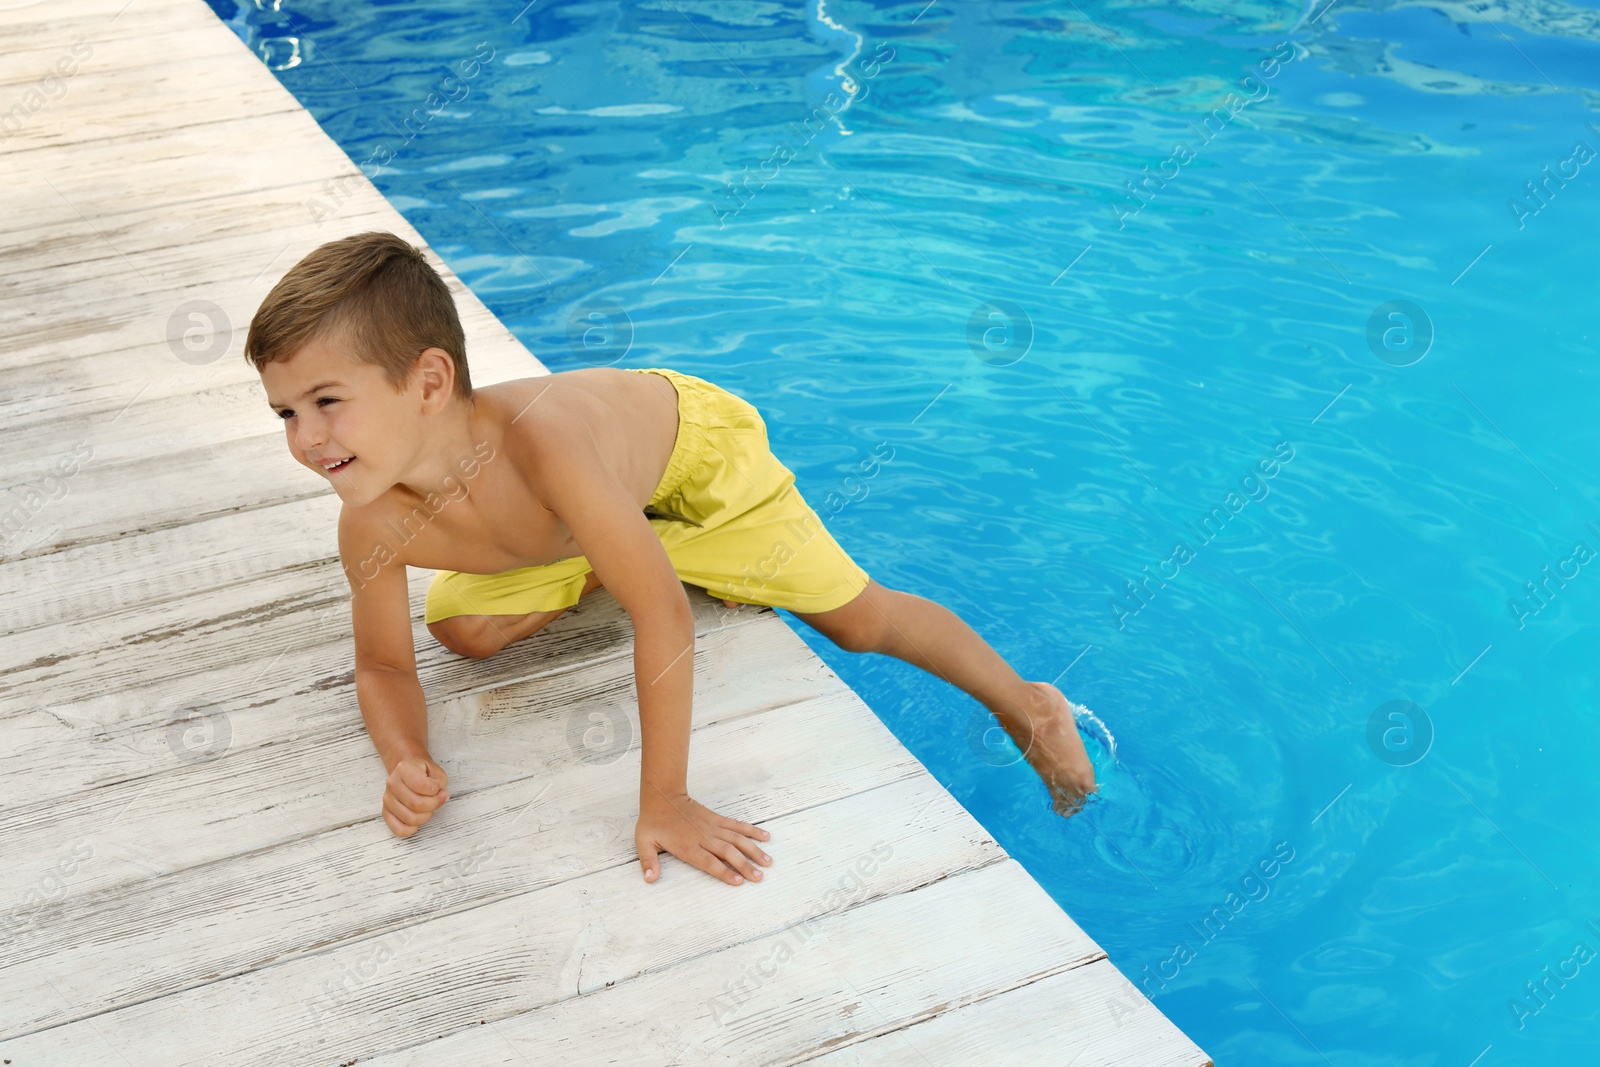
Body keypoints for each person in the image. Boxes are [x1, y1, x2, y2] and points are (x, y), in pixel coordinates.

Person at [247, 231, 1096, 889]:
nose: (307, 437)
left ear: (430, 384)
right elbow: (385, 662)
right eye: (286, 412)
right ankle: (618, 550)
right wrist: (404, 755)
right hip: (582, 521)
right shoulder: (369, 523)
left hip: (694, 466)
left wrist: (668, 799)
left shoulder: (543, 445)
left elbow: (663, 616)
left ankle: (1029, 706)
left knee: (858, 621)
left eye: (328, 402)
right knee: (462, 626)